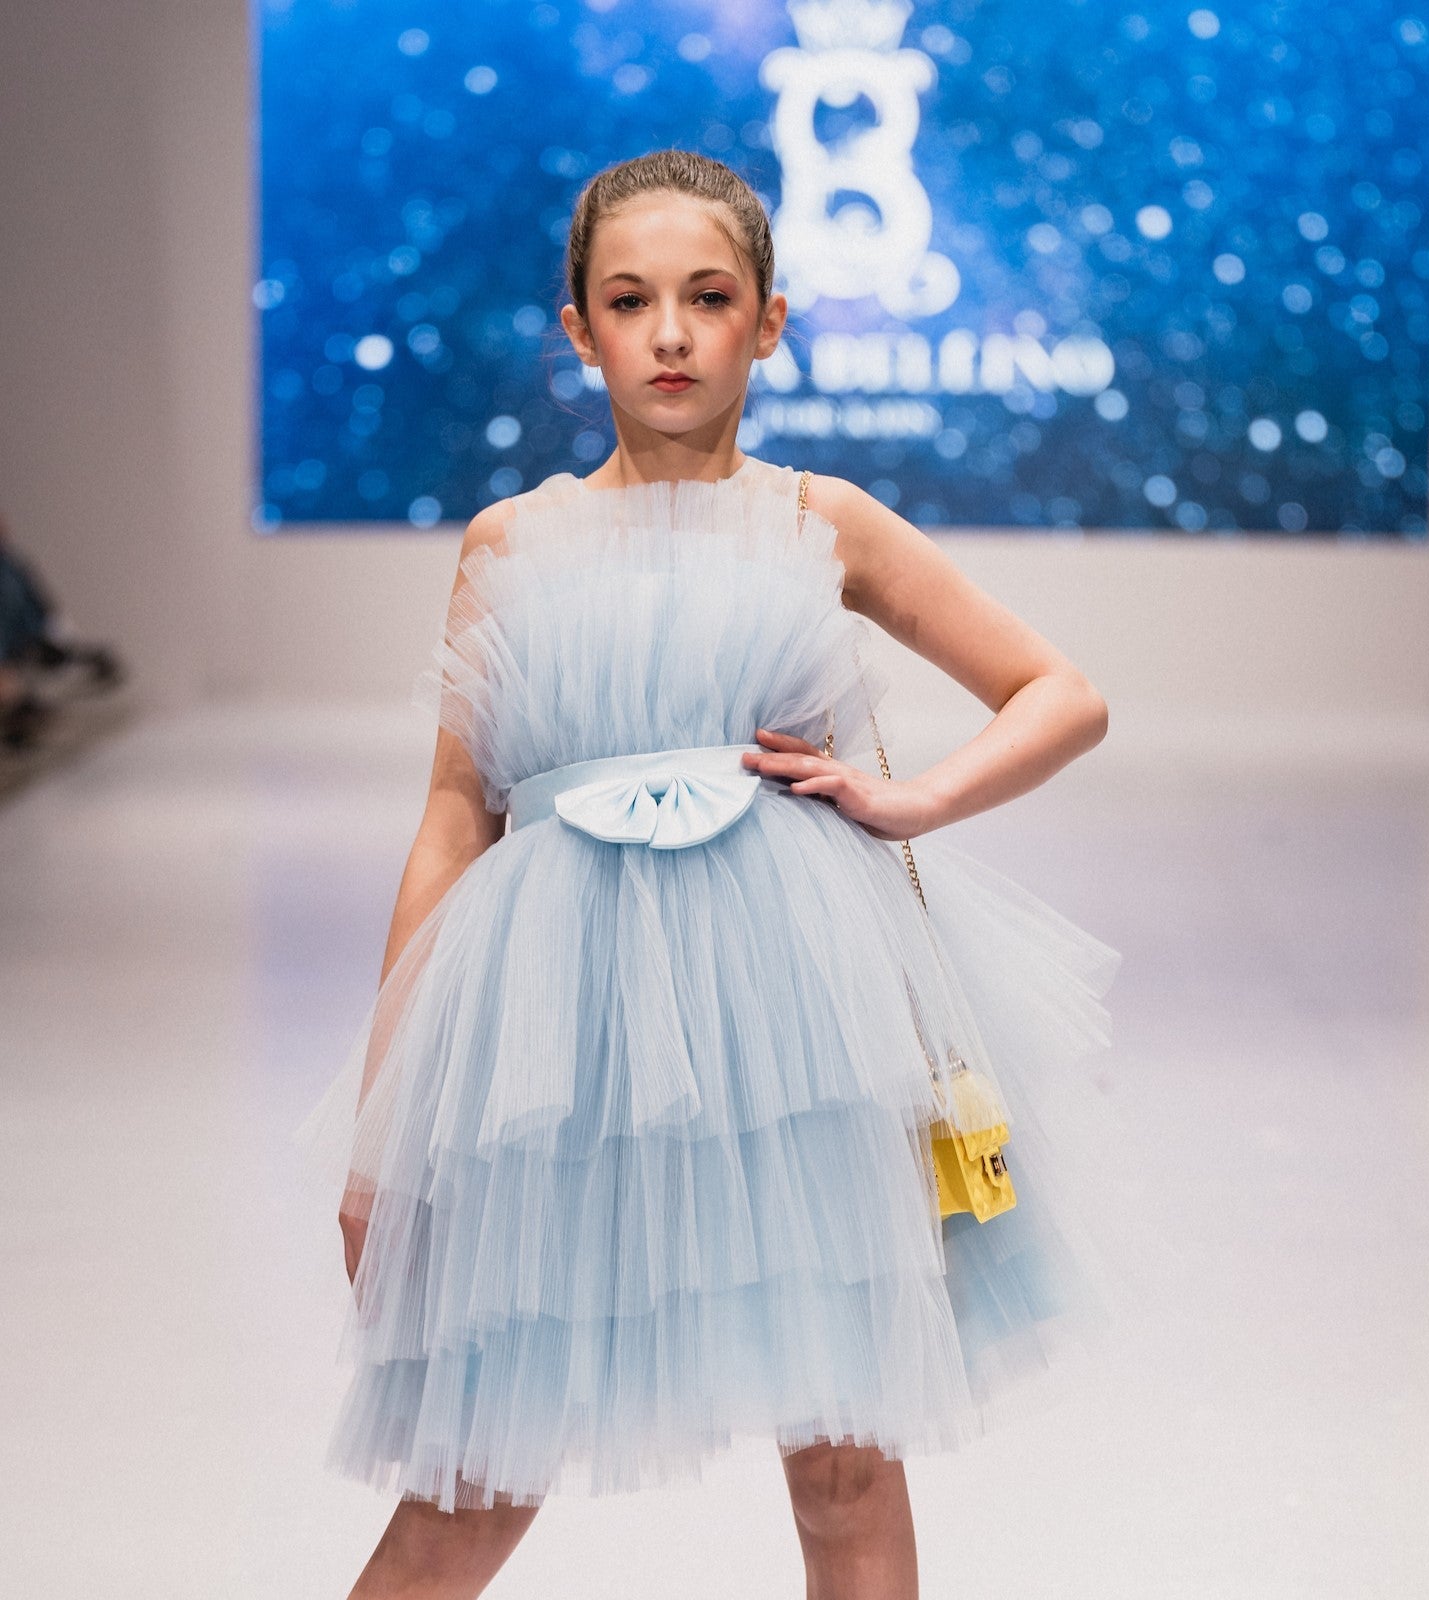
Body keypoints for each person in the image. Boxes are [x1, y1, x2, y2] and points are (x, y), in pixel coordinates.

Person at [293, 148, 1123, 1600]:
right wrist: (385, 1126)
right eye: (629, 301)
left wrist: (913, 800)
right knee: (478, 1466)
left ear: (770, 321)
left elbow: (1062, 693)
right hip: (561, 1040)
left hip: (802, 1029)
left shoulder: (820, 520)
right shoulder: (512, 543)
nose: (669, 334)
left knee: (845, 1457)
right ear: (579, 330)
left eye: (708, 296)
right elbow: (455, 819)